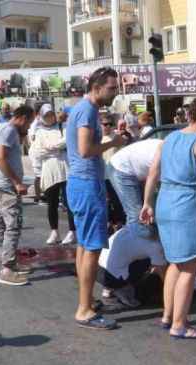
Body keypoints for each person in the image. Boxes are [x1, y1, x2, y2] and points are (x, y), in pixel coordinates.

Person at [141, 98, 196, 339]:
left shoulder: (169, 138)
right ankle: (180, 324)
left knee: (174, 262)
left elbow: (153, 172)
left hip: (164, 200)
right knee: (190, 266)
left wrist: (147, 202)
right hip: (185, 205)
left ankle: (168, 316)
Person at [66, 67, 126, 330]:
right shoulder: (87, 110)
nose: (115, 93)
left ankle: (86, 301)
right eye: (112, 88)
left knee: (83, 244)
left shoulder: (82, 109)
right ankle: (84, 310)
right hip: (87, 184)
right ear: (97, 86)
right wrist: (113, 142)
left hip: (81, 184)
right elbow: (85, 149)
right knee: (91, 248)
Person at [0, 105, 35, 286]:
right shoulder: (8, 131)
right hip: (5, 187)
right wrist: (16, 182)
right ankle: (7, 269)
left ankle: (8, 261)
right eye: (29, 122)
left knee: (1, 224)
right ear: (22, 118)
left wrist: (21, 134)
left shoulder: (3, 128)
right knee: (13, 225)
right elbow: (0, 158)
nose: (29, 127)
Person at [31, 104, 76, 245]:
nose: (49, 118)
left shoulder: (62, 127)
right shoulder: (39, 132)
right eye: (46, 115)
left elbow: (67, 141)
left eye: (51, 114)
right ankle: (54, 231)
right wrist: (57, 148)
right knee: (52, 202)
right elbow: (38, 152)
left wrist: (51, 147)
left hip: (64, 167)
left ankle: (72, 231)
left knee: (69, 202)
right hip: (49, 169)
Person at [97, 223, 167, 312]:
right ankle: (125, 295)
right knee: (153, 274)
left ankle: (109, 289)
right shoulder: (155, 245)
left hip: (99, 269)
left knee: (136, 257)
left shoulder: (134, 226)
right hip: (113, 277)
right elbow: (164, 276)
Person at [108, 138, 163, 238]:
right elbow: (152, 176)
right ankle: (132, 249)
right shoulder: (165, 153)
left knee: (149, 215)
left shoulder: (171, 148)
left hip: (135, 169)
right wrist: (147, 203)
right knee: (136, 216)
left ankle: (143, 244)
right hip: (121, 168)